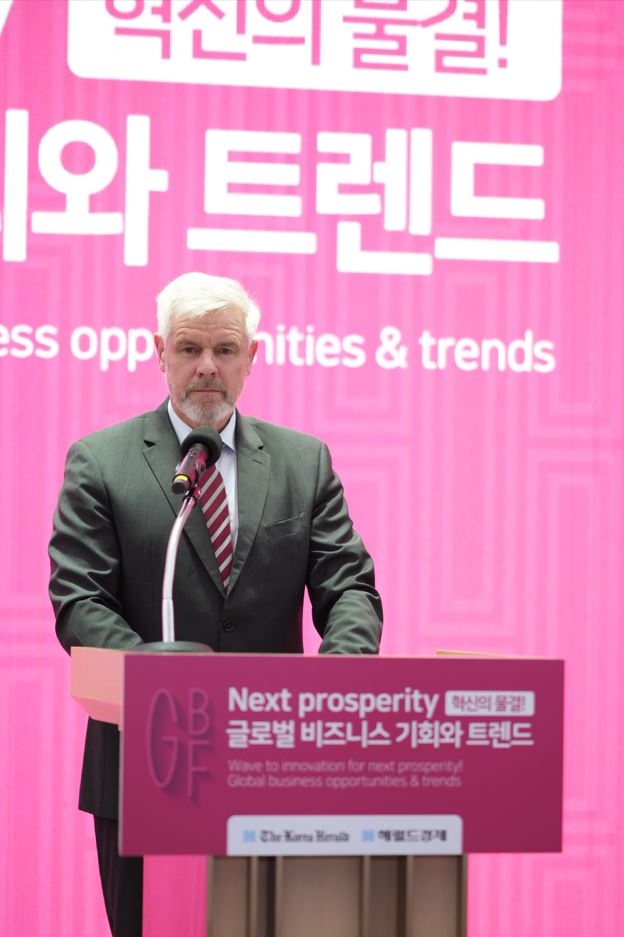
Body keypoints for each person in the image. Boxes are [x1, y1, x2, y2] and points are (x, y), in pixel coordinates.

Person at [48, 271, 383, 937]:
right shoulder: (102, 461)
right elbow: (80, 598)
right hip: (142, 758)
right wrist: (161, 681)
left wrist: (335, 679)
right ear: (159, 352)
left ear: (251, 357)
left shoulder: (302, 462)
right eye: (189, 348)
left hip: (277, 760)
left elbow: (349, 586)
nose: (207, 367)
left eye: (225, 349)